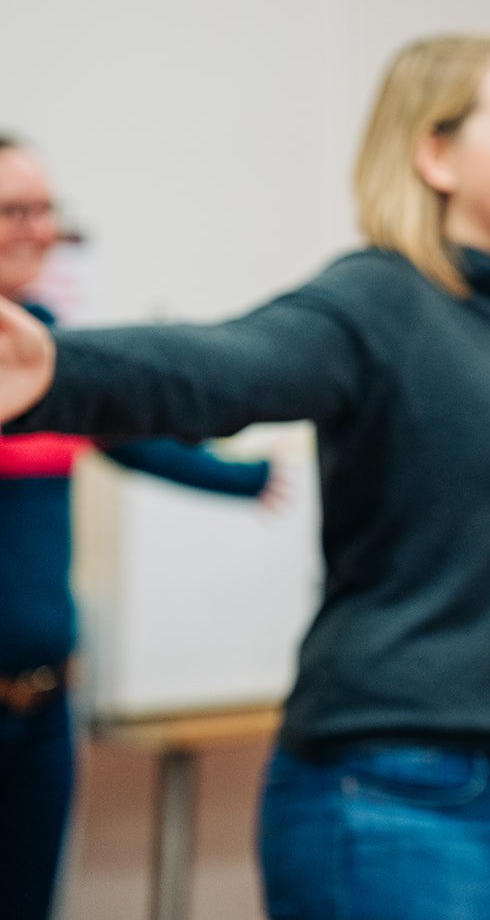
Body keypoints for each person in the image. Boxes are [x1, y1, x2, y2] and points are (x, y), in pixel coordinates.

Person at [0, 36, 490, 920]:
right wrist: (53, 366)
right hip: (393, 791)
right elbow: (227, 367)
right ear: (434, 153)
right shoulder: (375, 301)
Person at [0, 135, 274, 920]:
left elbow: (132, 432)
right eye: (14, 211)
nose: (38, 230)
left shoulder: (54, 347)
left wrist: (248, 478)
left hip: (44, 703)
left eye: (46, 211)